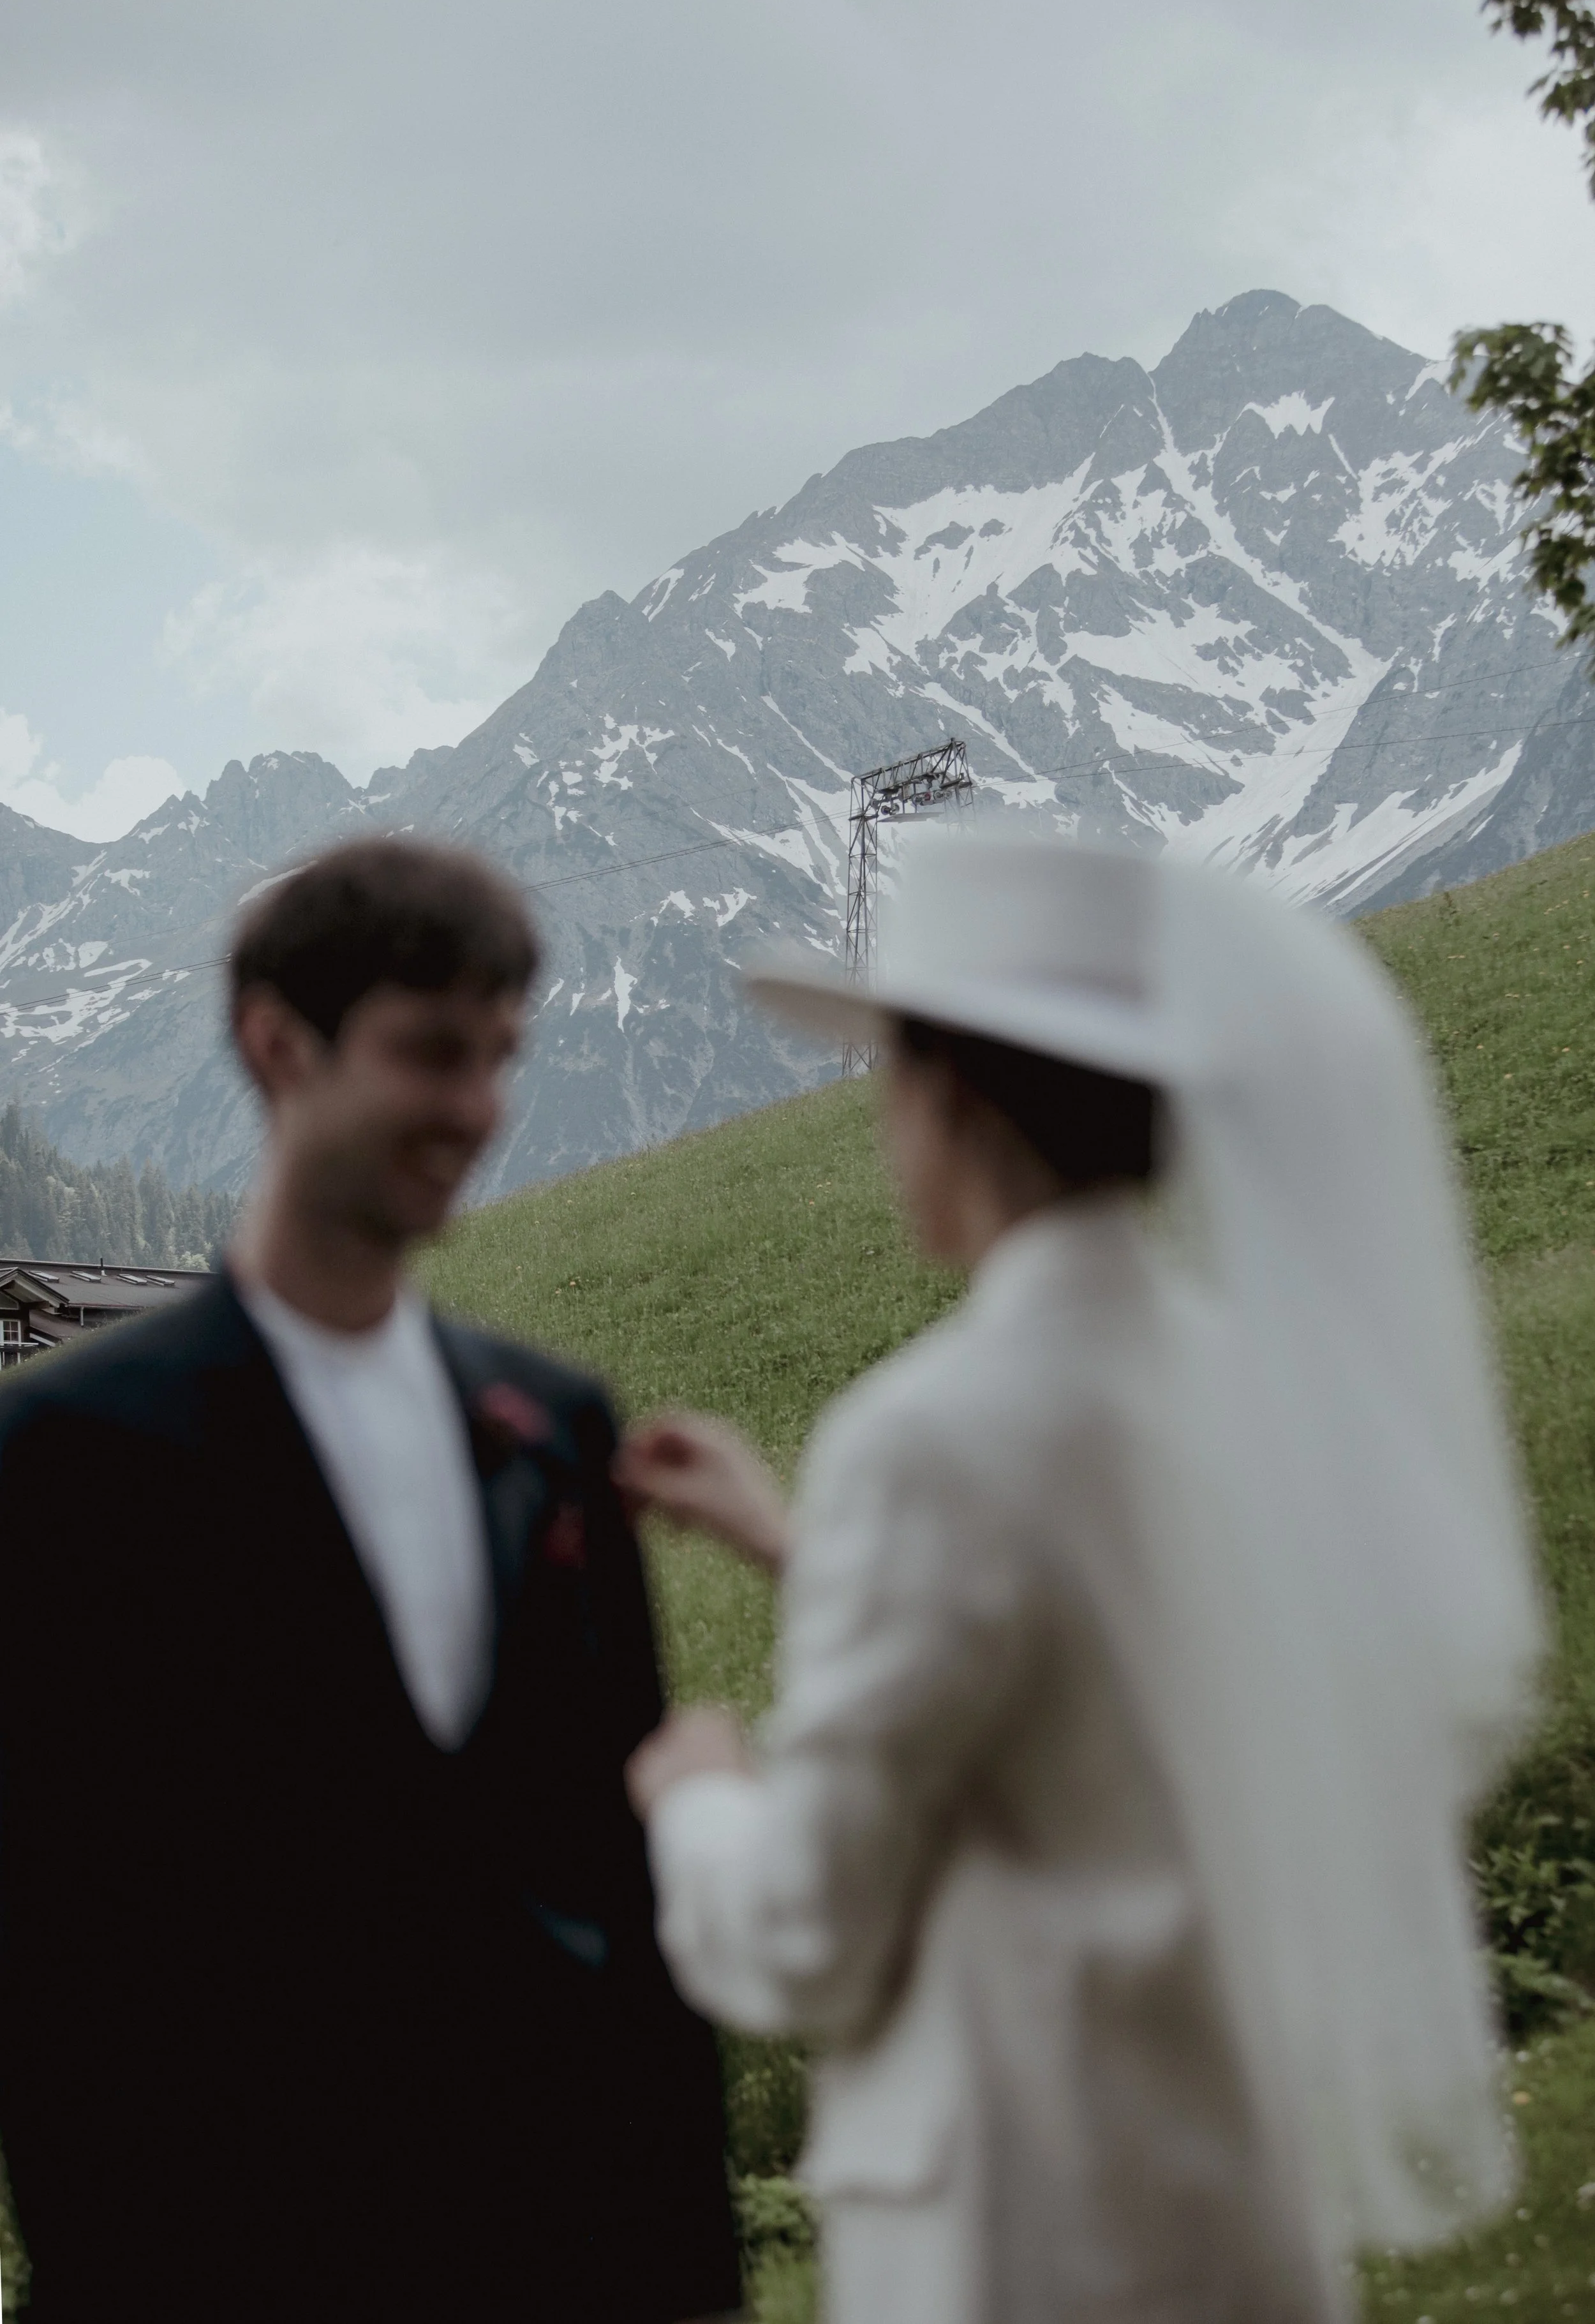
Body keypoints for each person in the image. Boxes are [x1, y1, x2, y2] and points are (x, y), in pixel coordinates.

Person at [619, 829, 1541, 2324]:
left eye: (888, 1081)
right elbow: (1082, 1656)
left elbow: (805, 1936)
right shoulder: (1238, 1384)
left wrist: (698, 1800)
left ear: (954, 1097)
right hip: (1228, 2203)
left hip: (1016, 2239)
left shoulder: (927, 1440)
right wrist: (803, 1550)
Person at [0, 838, 740, 2324]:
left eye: (501, 1058)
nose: (477, 1110)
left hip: (542, 2256)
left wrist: (687, 2277)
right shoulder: (68, 1451)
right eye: (429, 1054)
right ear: (280, 1045)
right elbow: (46, 1940)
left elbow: (615, 1863)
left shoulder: (551, 1423)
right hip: (215, 2259)